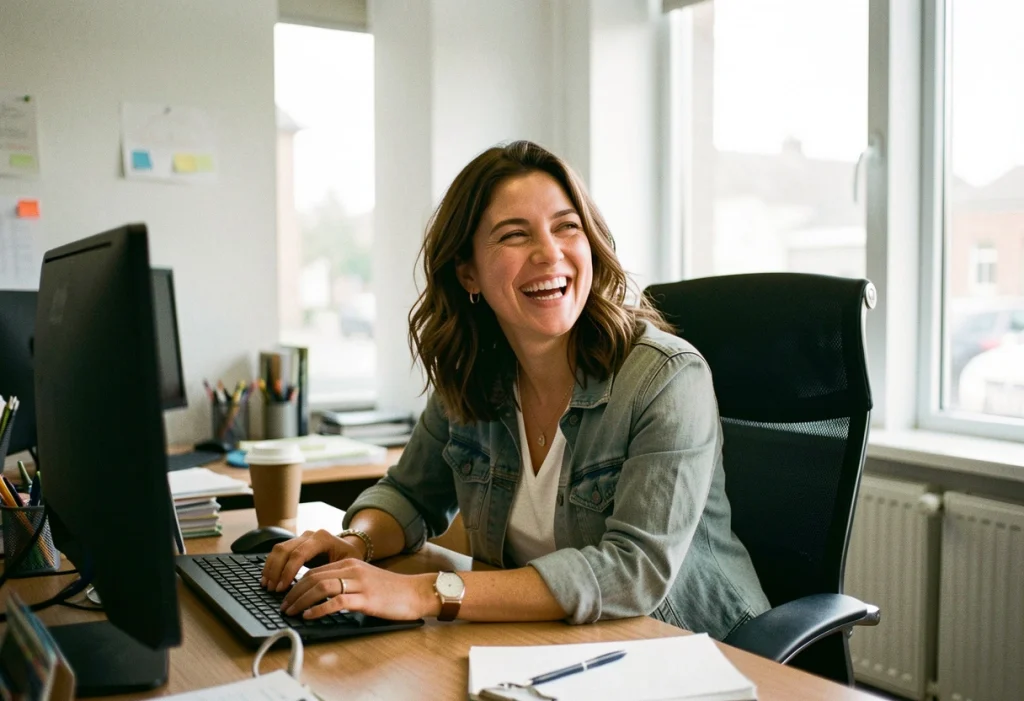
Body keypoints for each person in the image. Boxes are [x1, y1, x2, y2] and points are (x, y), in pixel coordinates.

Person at [261, 140, 770, 639]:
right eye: (514, 235)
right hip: (562, 644)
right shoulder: (477, 377)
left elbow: (632, 573)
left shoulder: (665, 378)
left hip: (700, 650)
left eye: (567, 226)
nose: (550, 254)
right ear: (468, 273)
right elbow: (409, 494)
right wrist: (358, 543)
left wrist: (423, 592)